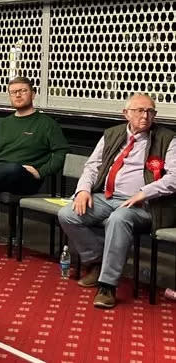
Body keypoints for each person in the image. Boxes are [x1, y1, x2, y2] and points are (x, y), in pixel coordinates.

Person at [58, 93, 176, 309]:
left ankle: (107, 285)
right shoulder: (112, 134)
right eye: (140, 110)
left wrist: (144, 192)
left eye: (151, 111)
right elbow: (92, 166)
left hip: (145, 205)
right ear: (126, 114)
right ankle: (97, 260)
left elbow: (174, 178)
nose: (146, 116)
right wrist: (83, 190)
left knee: (118, 219)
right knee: (68, 214)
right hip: (107, 196)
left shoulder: (167, 139)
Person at [0, 76, 68, 256]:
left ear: (33, 94)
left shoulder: (47, 124)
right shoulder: (2, 125)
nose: (18, 95)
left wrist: (41, 171)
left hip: (25, 178)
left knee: (13, 167)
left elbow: (60, 153)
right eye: (14, 92)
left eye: (23, 91)